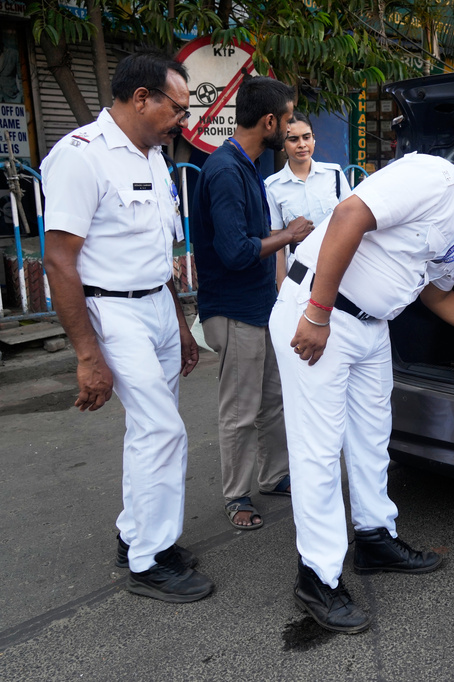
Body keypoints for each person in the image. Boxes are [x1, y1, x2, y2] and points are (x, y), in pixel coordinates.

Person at [268, 153, 454, 633]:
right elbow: (349, 215)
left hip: (370, 326)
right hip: (321, 313)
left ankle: (374, 536)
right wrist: (317, 313)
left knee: (372, 436)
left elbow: (436, 293)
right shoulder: (434, 178)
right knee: (318, 449)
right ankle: (317, 576)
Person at [41, 50, 213, 602]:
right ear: (142, 98)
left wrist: (182, 325)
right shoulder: (80, 156)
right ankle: (149, 560)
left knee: (149, 431)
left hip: (157, 307)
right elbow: (60, 260)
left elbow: (155, 250)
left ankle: (138, 534)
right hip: (112, 311)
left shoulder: (153, 156)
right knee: (163, 430)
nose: (181, 122)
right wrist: (88, 354)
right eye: (177, 109)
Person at [191, 76, 314, 530]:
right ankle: (237, 495)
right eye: (287, 120)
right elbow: (236, 251)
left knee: (272, 400)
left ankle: (274, 475)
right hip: (235, 308)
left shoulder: (247, 165)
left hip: (261, 304)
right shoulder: (224, 171)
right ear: (268, 121)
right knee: (241, 410)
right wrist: (288, 234)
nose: (291, 128)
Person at [265, 111, 352, 287]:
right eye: (293, 139)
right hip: (299, 268)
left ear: (314, 139)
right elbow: (277, 244)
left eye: (306, 137)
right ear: (283, 144)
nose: (302, 145)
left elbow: (351, 222)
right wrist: (282, 288)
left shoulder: (334, 174)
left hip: (338, 263)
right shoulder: (273, 186)